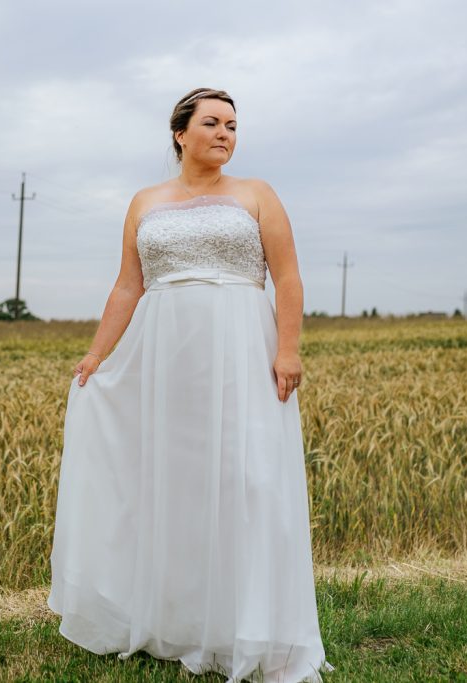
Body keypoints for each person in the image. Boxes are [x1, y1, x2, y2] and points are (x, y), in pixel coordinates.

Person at [46, 87, 332, 682]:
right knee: (173, 482)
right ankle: (176, 622)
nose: (225, 133)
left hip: (241, 348)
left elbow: (288, 277)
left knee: (248, 480)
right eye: (212, 123)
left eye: (233, 124)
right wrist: (97, 355)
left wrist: (288, 350)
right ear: (181, 134)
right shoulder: (145, 201)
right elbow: (128, 286)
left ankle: (251, 627)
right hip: (165, 355)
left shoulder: (257, 194)